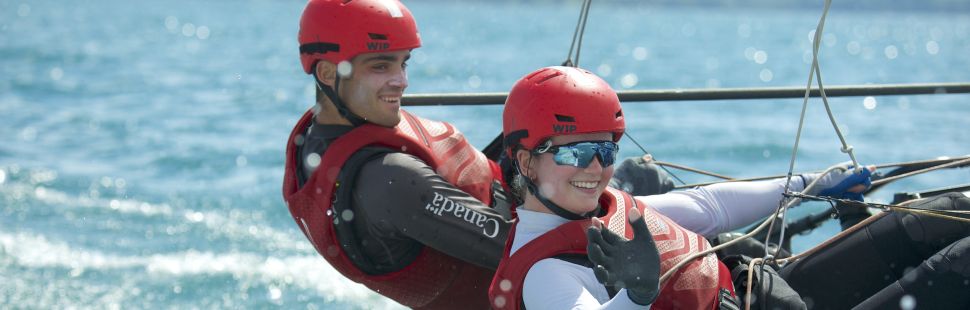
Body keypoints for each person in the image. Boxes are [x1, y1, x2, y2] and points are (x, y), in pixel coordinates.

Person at [280, 1, 672, 308]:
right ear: (328, 74)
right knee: (644, 177)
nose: (401, 81)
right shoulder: (389, 180)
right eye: (381, 66)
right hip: (545, 272)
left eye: (403, 63)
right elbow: (519, 245)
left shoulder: (329, 132)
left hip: (526, 198)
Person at [487, 66, 970, 309]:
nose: (595, 167)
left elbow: (708, 206)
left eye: (606, 150)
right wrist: (635, 296)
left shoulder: (601, 208)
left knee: (937, 215)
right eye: (574, 152)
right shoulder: (544, 275)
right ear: (526, 161)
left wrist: (813, 182)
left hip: (760, 292)